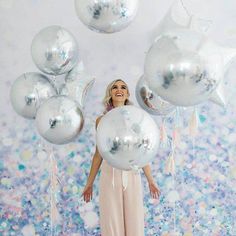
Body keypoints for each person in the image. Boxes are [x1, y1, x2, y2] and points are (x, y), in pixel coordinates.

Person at [82, 79, 160, 236]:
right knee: (111, 218)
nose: (119, 89)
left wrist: (151, 181)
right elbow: (99, 154)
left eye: (123, 87)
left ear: (128, 93)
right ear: (110, 93)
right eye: (115, 87)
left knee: (134, 218)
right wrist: (89, 184)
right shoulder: (101, 120)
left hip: (132, 172)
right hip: (109, 174)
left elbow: (142, 151)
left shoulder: (136, 119)